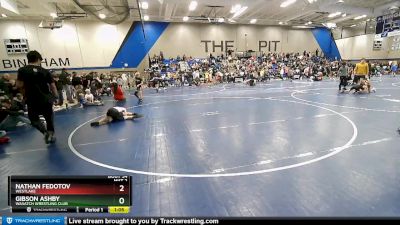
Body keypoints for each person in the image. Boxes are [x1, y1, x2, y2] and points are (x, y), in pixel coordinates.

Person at [16, 50, 58, 144]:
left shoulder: (22, 70)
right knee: (49, 118)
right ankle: (50, 134)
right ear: (38, 59)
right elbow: (53, 86)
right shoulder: (44, 71)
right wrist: (55, 96)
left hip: (31, 99)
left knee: (33, 119)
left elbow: (19, 85)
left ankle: (45, 132)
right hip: (45, 99)